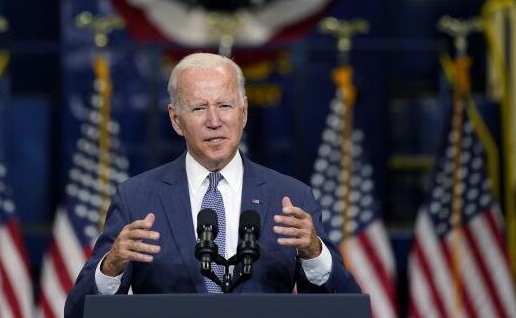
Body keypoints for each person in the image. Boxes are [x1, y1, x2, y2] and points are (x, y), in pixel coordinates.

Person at [64, 53, 360, 318]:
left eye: (225, 105)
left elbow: (347, 307)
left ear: (243, 113)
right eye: (198, 108)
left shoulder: (292, 197)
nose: (214, 121)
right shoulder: (137, 198)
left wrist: (315, 253)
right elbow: (77, 312)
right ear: (176, 120)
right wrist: (111, 266)